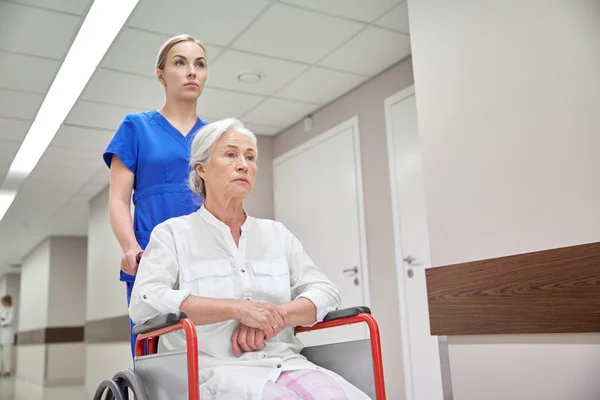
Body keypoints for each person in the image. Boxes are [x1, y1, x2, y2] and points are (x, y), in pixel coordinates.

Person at [129, 118, 371, 400]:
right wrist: (236, 309)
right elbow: (144, 301)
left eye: (250, 157)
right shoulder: (172, 234)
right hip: (212, 369)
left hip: (284, 363)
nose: (243, 164)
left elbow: (325, 292)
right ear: (201, 169)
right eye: (230, 155)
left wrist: (276, 316)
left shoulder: (276, 234)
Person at [103, 34, 209, 357]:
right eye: (180, 62)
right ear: (161, 76)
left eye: (199, 64)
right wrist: (130, 248)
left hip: (204, 263)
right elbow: (118, 200)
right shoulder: (136, 127)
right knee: (156, 365)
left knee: (207, 361)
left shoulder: (213, 138)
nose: (191, 71)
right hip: (151, 263)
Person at [0, 295, 14, 378]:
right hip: (1, 333)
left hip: (7, 334)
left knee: (7, 354)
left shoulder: (11, 309)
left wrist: (2, 322)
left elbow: (9, 320)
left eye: (3, 301)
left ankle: (7, 371)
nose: (2, 303)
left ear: (7, 301)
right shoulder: (2, 309)